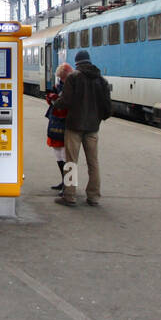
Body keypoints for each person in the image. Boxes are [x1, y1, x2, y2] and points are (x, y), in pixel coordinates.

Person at [54, 49, 111, 208]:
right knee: (93, 163)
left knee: (71, 162)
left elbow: (65, 101)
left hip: (74, 126)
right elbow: (107, 106)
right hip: (92, 128)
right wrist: (99, 118)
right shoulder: (101, 80)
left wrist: (55, 103)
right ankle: (94, 196)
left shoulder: (74, 78)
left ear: (77, 62)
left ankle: (69, 196)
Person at [45, 62, 73, 191]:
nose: (62, 80)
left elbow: (68, 103)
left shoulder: (73, 86)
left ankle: (69, 186)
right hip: (56, 122)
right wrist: (51, 97)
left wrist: (57, 100)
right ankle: (64, 182)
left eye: (63, 77)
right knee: (59, 154)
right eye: (60, 78)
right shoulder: (58, 86)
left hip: (67, 124)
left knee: (67, 156)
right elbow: (52, 101)